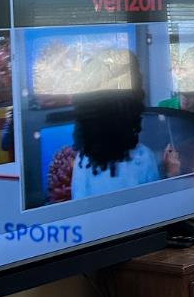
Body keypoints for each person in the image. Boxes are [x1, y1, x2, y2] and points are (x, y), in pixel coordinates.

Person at [69, 51, 180, 200]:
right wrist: (171, 174)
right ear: (132, 106)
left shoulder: (82, 162)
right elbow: (157, 207)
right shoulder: (144, 159)